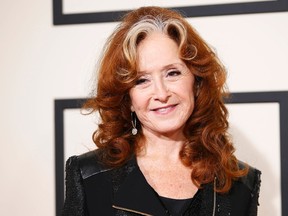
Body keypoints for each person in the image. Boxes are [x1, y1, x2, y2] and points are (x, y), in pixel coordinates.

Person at [61, 6, 261, 216]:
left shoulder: (241, 184)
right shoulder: (89, 176)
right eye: (142, 80)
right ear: (127, 97)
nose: (161, 93)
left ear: (196, 83)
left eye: (172, 73)